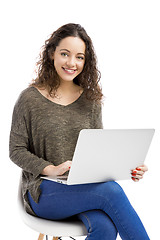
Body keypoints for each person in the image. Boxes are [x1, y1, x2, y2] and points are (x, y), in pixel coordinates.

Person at [9, 23, 150, 239]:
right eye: (65, 54)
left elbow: (98, 152)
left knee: (105, 226)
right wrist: (50, 169)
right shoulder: (29, 99)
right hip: (44, 192)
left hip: (83, 189)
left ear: (86, 61)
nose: (72, 63)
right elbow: (16, 150)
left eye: (79, 57)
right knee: (111, 191)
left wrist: (128, 168)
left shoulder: (90, 101)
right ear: (51, 54)